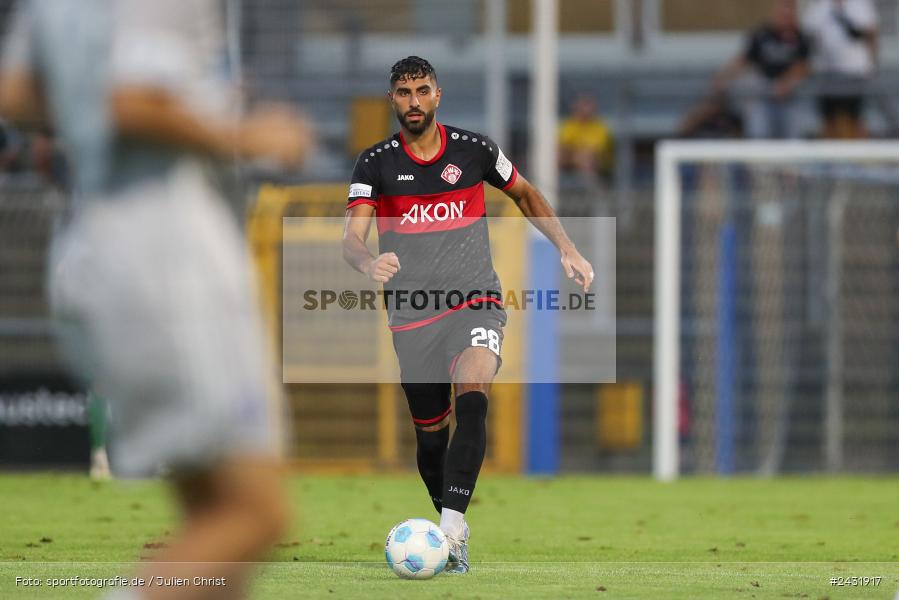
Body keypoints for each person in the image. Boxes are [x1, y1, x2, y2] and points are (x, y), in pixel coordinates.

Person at [0, 1, 310, 599]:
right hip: (167, 243)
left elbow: (16, 91)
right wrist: (248, 132)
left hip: (95, 234)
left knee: (211, 514)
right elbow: (133, 101)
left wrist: (84, 101)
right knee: (254, 514)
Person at [342, 56, 593, 574]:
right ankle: (445, 524)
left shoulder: (475, 150)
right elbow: (351, 238)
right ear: (393, 99)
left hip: (475, 298)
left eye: (422, 90)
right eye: (404, 92)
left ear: (438, 95)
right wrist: (369, 261)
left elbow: (523, 191)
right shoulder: (375, 164)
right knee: (431, 437)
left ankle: (453, 527)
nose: (414, 101)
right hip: (413, 314)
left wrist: (567, 247)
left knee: (474, 397)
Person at [712, 0, 810, 139]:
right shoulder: (762, 34)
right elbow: (744, 60)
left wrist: (785, 84)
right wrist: (723, 76)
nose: (785, 16)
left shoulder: (801, 36)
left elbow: (803, 66)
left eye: (789, 12)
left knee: (791, 137)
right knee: (759, 129)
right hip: (762, 93)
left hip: (789, 96)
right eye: (782, 11)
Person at [803, 0, 879, 138]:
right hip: (826, 73)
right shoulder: (819, 7)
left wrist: (871, 65)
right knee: (828, 119)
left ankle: (860, 155)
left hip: (854, 73)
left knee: (855, 118)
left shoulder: (860, 5)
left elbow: (872, 35)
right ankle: (829, 156)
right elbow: (808, 36)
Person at [558, 94, 613, 186]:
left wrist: (577, 154)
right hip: (571, 166)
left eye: (588, 107)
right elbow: (562, 148)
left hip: (599, 171)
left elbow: (596, 154)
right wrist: (576, 156)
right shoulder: (569, 125)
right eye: (582, 107)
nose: (585, 110)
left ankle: (590, 191)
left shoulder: (600, 128)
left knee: (587, 160)